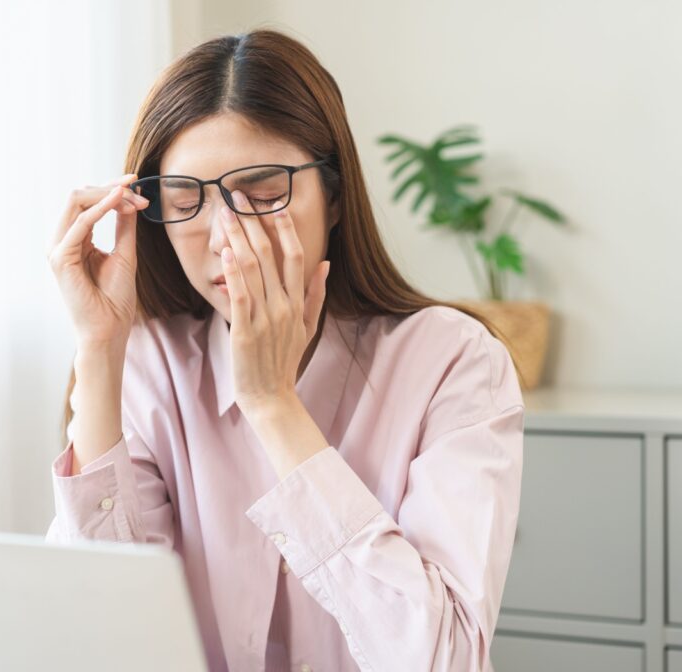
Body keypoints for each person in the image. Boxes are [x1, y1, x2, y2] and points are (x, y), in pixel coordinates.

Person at [44, 28, 524, 672]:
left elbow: (443, 659)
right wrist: (99, 352)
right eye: (186, 202)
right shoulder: (148, 364)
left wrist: (273, 403)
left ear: (333, 195)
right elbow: (98, 638)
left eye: (265, 194)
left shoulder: (454, 364)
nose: (225, 238)